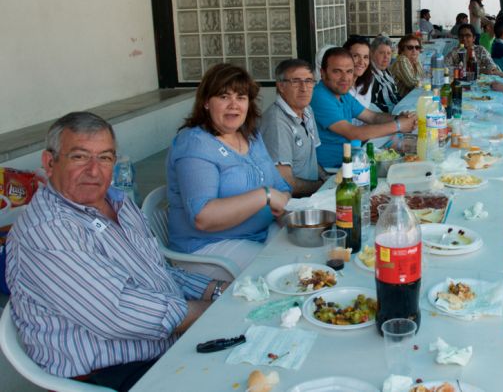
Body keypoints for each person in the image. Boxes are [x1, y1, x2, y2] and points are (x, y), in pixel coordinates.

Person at [6, 112, 228, 390]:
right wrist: (218, 310)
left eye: (105, 157)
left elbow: (157, 272)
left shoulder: (118, 203)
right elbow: (119, 312)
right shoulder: (47, 230)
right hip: (110, 374)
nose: (94, 170)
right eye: (79, 157)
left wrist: (218, 290)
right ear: (50, 163)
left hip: (166, 348)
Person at [167, 64, 292, 279]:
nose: (234, 105)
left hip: (260, 233)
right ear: (206, 102)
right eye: (224, 97)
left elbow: (281, 186)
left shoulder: (251, 136)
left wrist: (283, 209)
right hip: (208, 247)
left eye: (241, 97)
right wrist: (265, 196)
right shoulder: (195, 144)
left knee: (312, 253)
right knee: (285, 274)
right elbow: (202, 217)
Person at [313, 47, 416, 168]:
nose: (345, 78)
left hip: (352, 160)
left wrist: (398, 118)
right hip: (334, 169)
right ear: (323, 73)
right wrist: (398, 125)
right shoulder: (319, 96)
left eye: (349, 71)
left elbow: (373, 117)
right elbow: (353, 133)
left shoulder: (341, 93)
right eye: (337, 71)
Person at [261, 59, 326, 197]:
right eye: (295, 82)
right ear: (281, 86)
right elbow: (285, 182)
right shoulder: (276, 122)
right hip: (292, 203)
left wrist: (327, 179)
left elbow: (311, 158)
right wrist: (322, 186)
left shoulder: (307, 110)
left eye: (309, 81)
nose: (304, 88)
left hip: (313, 195)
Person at [369, 34, 400, 113]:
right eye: (382, 53)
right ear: (372, 54)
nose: (386, 57)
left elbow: (395, 94)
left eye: (389, 53)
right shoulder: (369, 76)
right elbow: (370, 106)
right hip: (386, 116)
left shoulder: (386, 71)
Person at [343, 36, 374, 111]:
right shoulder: (338, 86)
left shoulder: (367, 82)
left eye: (365, 57)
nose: (361, 62)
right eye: (356, 56)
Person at [389, 34, 425, 98]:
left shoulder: (415, 60)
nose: (414, 50)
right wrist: (425, 82)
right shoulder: (401, 60)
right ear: (402, 50)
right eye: (410, 47)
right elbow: (412, 84)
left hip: (408, 97)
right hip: (397, 100)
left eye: (417, 47)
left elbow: (423, 77)